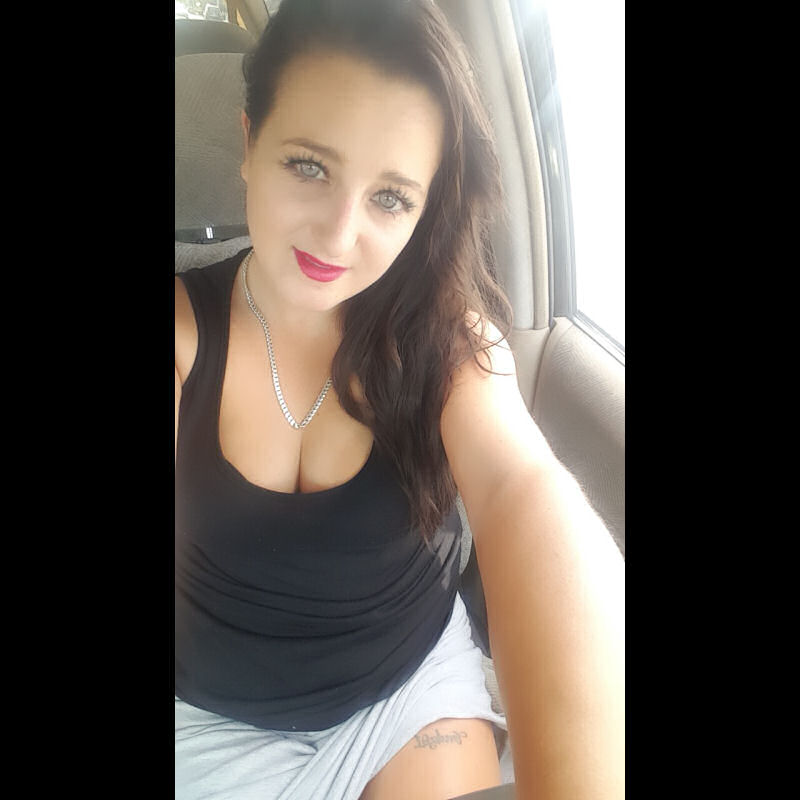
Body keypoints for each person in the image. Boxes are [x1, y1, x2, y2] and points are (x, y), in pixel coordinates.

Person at [174, 1, 625, 798]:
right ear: (249, 145)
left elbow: (522, 490)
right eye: (309, 166)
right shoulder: (184, 333)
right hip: (211, 711)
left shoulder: (447, 342)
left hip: (408, 690)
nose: (339, 234)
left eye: (390, 198)